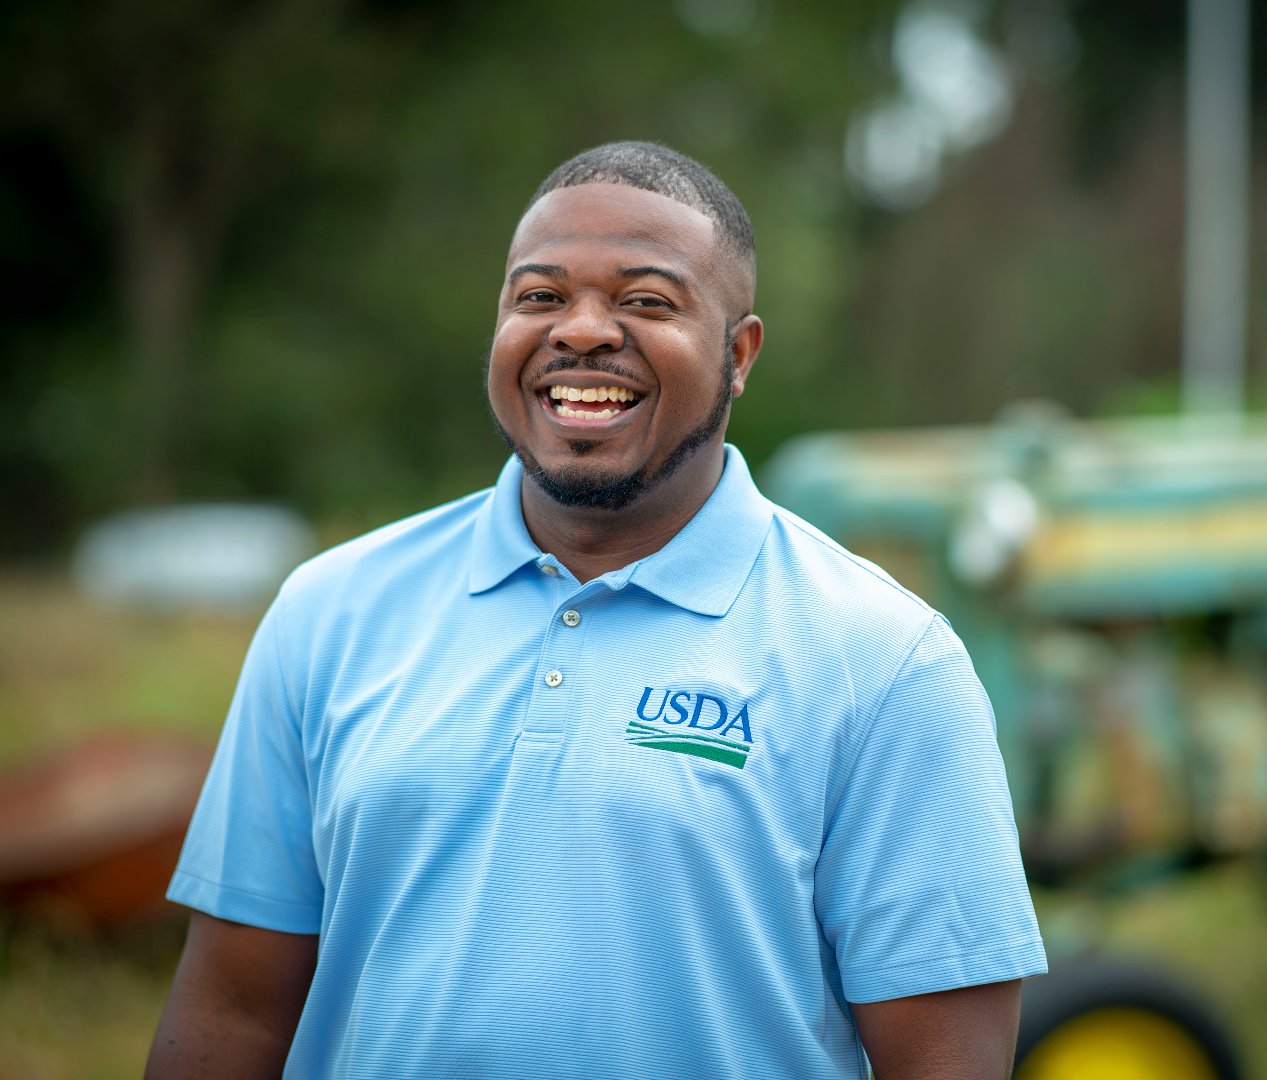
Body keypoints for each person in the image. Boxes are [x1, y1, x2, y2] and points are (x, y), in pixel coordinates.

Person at [146, 140, 1046, 1079]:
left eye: (645, 301)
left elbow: (945, 1062)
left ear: (739, 355)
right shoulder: (327, 610)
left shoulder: (886, 659)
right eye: (538, 296)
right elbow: (232, 1011)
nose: (579, 331)